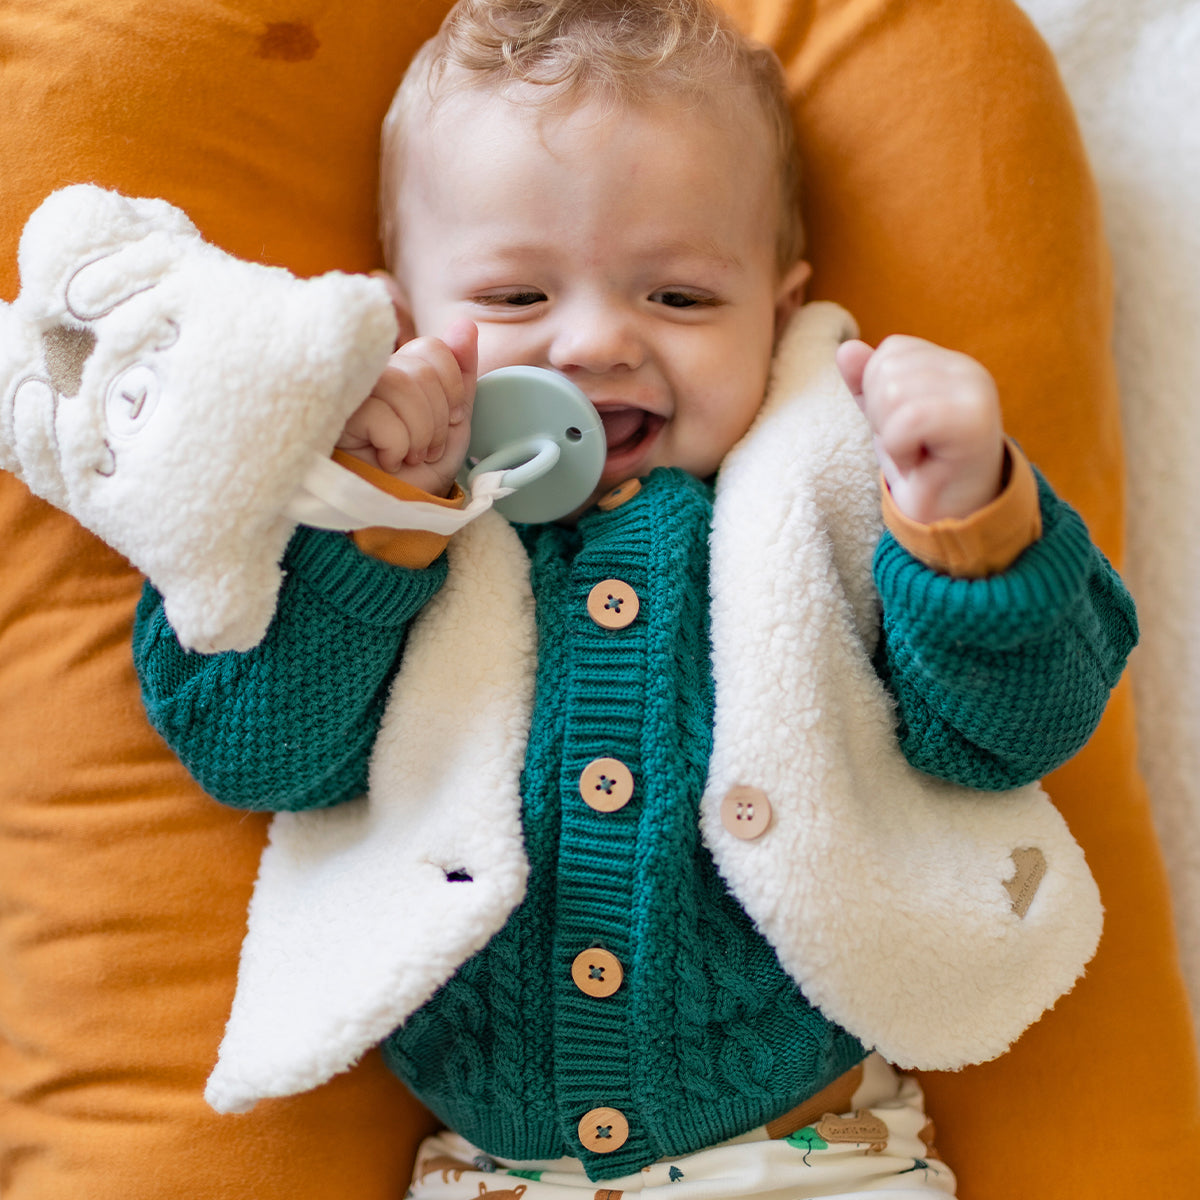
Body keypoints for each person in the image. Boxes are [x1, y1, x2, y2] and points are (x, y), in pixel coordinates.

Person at [132, 1, 1137, 1197]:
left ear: (778, 311)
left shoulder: (832, 492)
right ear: (404, 320)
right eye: (516, 297)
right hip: (496, 1171)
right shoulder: (381, 519)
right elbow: (254, 754)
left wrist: (967, 519)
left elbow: (1011, 737)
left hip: (815, 1154)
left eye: (680, 299)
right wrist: (377, 517)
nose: (597, 344)